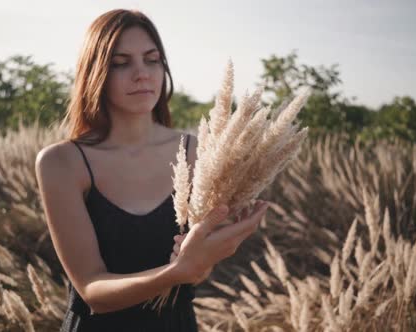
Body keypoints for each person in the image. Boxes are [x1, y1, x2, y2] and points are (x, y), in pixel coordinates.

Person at [34, 9, 269, 332]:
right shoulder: (62, 162)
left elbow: (197, 270)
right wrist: (178, 271)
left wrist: (208, 256)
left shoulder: (198, 151)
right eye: (121, 63)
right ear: (94, 72)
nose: (141, 73)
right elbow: (92, 292)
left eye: (152, 59)